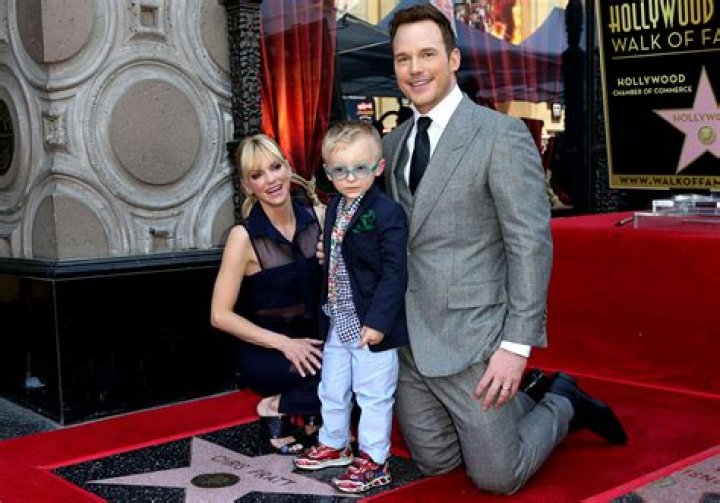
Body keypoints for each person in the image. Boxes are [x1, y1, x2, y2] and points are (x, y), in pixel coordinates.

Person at [381, 5, 627, 495]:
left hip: (475, 336)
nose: (415, 68)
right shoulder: (391, 145)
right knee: (436, 463)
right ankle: (523, 401)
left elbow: (529, 243)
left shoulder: (499, 134)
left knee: (497, 476)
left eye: (427, 54)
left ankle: (562, 401)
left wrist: (516, 347)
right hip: (410, 339)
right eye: (403, 58)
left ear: (453, 59)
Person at [294, 120, 409, 494]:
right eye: (340, 170)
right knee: (332, 387)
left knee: (373, 395)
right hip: (337, 317)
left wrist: (378, 322)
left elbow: (394, 272)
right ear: (327, 173)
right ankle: (335, 443)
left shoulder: (387, 212)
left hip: (370, 324)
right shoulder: (333, 207)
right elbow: (336, 255)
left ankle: (375, 460)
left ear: (379, 167)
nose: (350, 178)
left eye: (360, 168)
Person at [210, 134, 325, 455]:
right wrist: (285, 344)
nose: (271, 180)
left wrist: (331, 262)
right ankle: (276, 405)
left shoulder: (319, 217)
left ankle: (296, 407)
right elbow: (219, 315)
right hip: (271, 351)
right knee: (341, 375)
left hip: (319, 341)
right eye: (257, 175)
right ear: (247, 186)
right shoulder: (242, 237)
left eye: (275, 167)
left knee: (369, 366)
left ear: (289, 168)